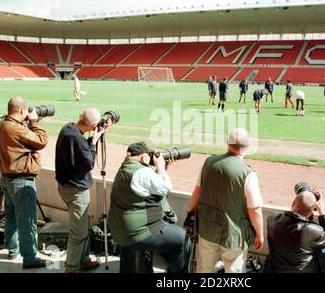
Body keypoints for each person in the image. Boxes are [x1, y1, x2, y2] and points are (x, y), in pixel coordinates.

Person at [187, 128, 264, 273]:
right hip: (233, 235)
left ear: (227, 143)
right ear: (248, 147)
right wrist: (259, 234)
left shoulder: (208, 162)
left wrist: (189, 212)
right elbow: (254, 210)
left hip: (208, 228)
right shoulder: (248, 173)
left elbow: (197, 191)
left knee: (204, 269)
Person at [108, 142, 189, 273]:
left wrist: (159, 171)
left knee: (170, 236)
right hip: (137, 233)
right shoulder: (141, 171)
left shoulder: (127, 167)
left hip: (121, 230)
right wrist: (161, 168)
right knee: (182, 238)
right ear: (144, 157)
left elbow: (145, 185)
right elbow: (167, 187)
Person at [0, 96, 49, 269]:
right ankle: (29, 257)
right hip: (21, 180)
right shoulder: (15, 128)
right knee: (27, 220)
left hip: (6, 177)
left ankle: (12, 250)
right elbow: (41, 141)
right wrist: (35, 122)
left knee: (10, 217)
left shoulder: (0, 124)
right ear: (23, 111)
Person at [55, 108, 111, 273]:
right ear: (93, 125)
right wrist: (93, 142)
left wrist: (91, 138)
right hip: (76, 190)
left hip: (66, 186)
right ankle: (71, 268)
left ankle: (83, 259)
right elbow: (88, 164)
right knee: (78, 232)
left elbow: (77, 152)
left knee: (85, 225)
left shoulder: (67, 128)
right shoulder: (78, 139)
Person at [264, 186, 325, 273]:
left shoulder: (272, 219)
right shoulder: (314, 231)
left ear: (293, 203)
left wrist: (302, 199)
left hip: (274, 269)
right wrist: (322, 213)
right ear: (312, 211)